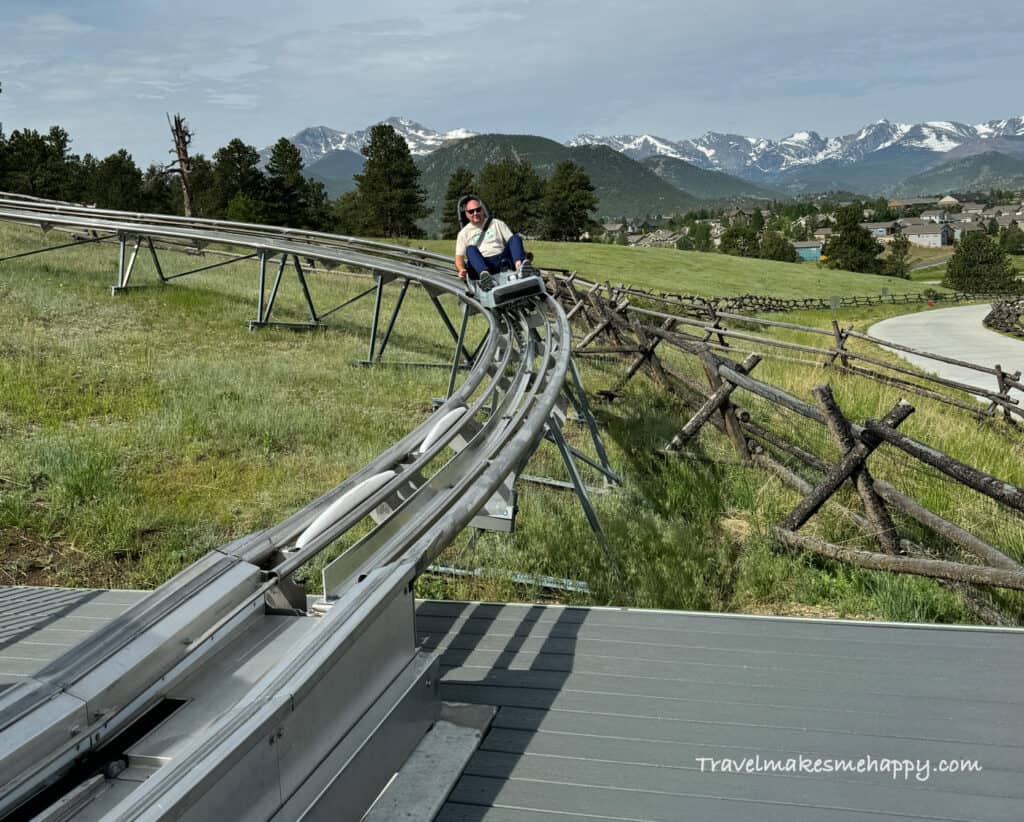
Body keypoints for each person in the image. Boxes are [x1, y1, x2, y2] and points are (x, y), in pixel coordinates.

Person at [454, 195, 537, 289]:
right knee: (470, 249)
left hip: (502, 259)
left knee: (515, 237)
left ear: (482, 210)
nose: (475, 213)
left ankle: (520, 268)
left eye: (478, 210)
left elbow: (513, 244)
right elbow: (459, 258)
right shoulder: (463, 233)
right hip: (483, 262)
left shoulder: (497, 223)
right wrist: (461, 270)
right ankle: (485, 277)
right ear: (466, 214)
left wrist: (524, 254)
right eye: (471, 211)